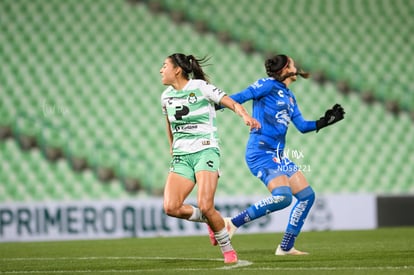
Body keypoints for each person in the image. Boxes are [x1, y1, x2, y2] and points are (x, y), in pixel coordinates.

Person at [210, 54, 345, 255]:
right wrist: (215, 104)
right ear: (285, 69)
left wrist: (324, 122)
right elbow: (241, 96)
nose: (296, 66)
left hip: (278, 156)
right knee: (283, 197)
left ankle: (286, 247)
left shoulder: (290, 96)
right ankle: (233, 223)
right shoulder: (267, 85)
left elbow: (302, 126)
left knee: (307, 196)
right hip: (260, 152)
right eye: (292, 63)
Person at [160, 53, 261, 264]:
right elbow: (169, 124)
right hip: (181, 156)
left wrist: (244, 116)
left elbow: (231, 103)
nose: (161, 70)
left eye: (164, 66)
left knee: (206, 205)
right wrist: (172, 147)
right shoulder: (165, 96)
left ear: (177, 70)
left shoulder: (201, 87)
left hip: (205, 151)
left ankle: (228, 250)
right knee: (171, 207)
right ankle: (210, 220)